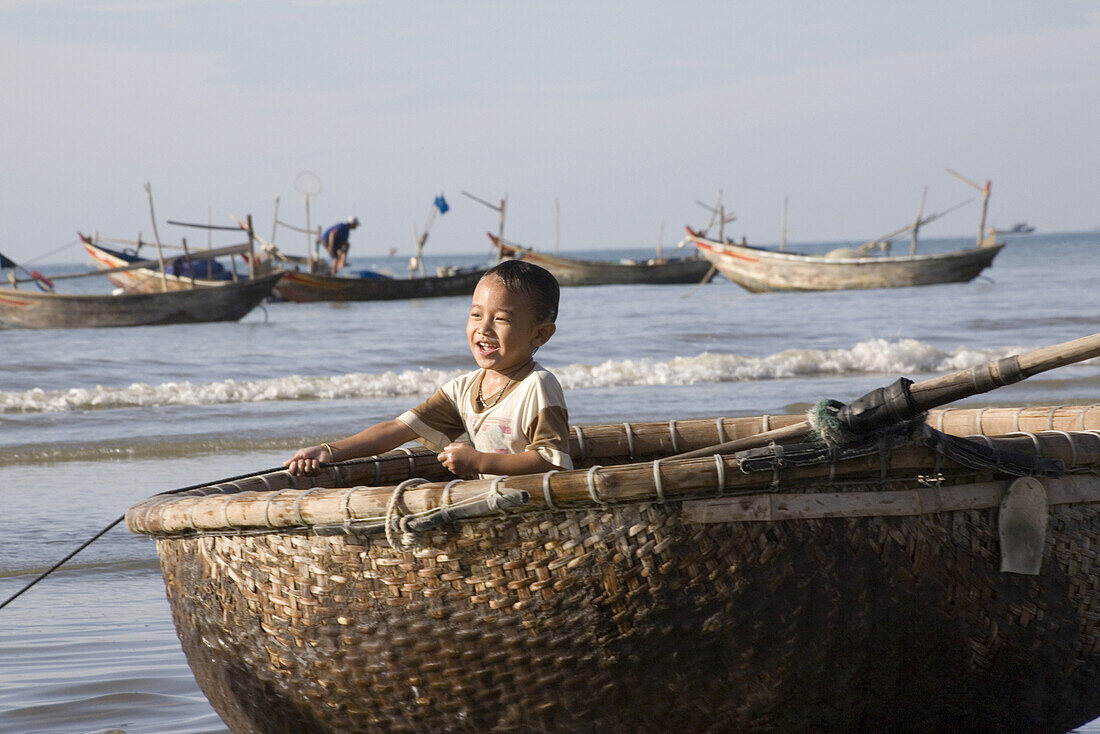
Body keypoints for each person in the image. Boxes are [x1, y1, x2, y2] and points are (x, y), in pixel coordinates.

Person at [285, 259, 572, 479]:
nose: (483, 329)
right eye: (476, 315)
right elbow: (397, 429)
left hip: (535, 503)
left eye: (501, 319)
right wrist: (329, 451)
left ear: (540, 335)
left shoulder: (538, 385)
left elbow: (551, 461)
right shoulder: (463, 390)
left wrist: (480, 462)